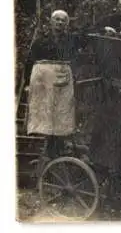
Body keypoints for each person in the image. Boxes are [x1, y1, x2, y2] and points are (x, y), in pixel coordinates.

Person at [24, 10, 88, 159]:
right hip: (44, 82)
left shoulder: (71, 40)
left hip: (63, 80)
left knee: (62, 112)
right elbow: (30, 62)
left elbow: (87, 36)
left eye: (63, 20)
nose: (60, 23)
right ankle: (49, 149)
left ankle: (58, 148)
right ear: (51, 22)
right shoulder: (41, 41)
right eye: (57, 20)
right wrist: (28, 83)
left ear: (67, 24)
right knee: (46, 113)